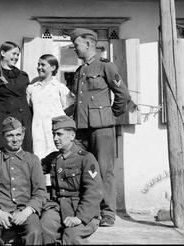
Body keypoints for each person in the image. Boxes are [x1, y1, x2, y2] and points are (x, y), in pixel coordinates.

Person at [69, 28, 131, 227]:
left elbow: (123, 95)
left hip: (102, 129)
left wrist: (110, 116)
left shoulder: (106, 66)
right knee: (82, 169)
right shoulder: (79, 71)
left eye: (76, 45)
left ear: (88, 44)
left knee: (104, 171)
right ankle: (88, 211)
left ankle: (108, 214)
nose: (75, 49)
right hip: (81, 129)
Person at [0, 116, 46, 245]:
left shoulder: (32, 160)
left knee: (35, 232)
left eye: (18, 134)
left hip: (25, 210)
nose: (15, 139)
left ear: (23, 135)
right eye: (10, 135)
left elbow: (40, 192)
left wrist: (26, 212)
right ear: (3, 136)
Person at [40, 115, 103, 245]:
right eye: (53, 134)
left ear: (72, 136)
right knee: (43, 227)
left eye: (59, 134)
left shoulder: (86, 158)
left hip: (83, 212)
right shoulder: (53, 158)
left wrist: (80, 218)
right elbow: (32, 169)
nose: (55, 138)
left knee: (71, 236)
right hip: (58, 208)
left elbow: (94, 192)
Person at [26, 54, 74, 160]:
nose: (39, 67)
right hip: (38, 132)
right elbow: (30, 108)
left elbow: (70, 109)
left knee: (58, 159)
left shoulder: (60, 88)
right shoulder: (31, 88)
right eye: (38, 64)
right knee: (39, 161)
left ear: (53, 68)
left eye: (43, 65)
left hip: (56, 133)